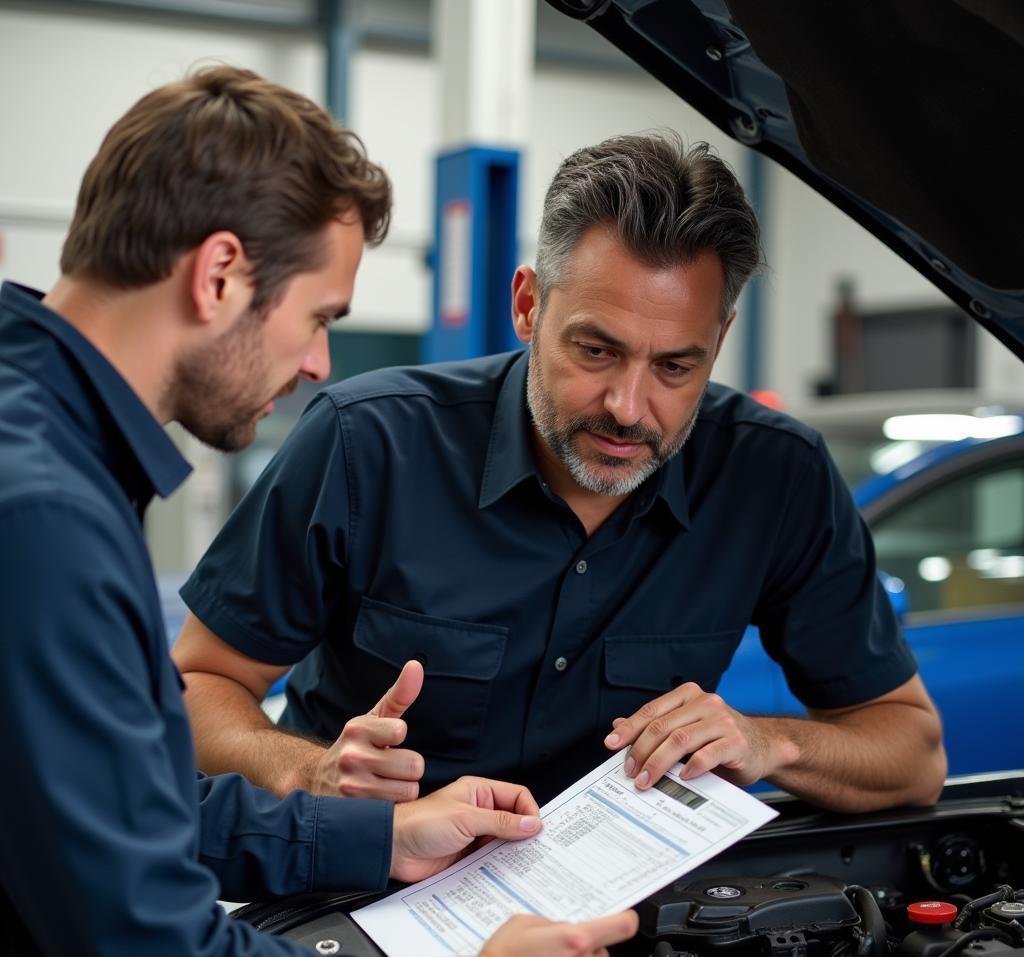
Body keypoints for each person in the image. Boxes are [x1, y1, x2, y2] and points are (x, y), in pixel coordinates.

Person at [0, 66, 639, 957]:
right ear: (218, 275)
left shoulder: (39, 444)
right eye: (317, 318)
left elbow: (119, 808)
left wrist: (375, 838)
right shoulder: (43, 518)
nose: (316, 365)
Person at [174, 132, 947, 816]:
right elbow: (196, 688)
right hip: (369, 895)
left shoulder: (776, 478)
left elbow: (910, 752)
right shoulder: (365, 444)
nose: (627, 407)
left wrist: (770, 744)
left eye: (676, 366)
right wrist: (310, 772)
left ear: (719, 343)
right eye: (596, 350)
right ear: (527, 306)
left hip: (626, 932)